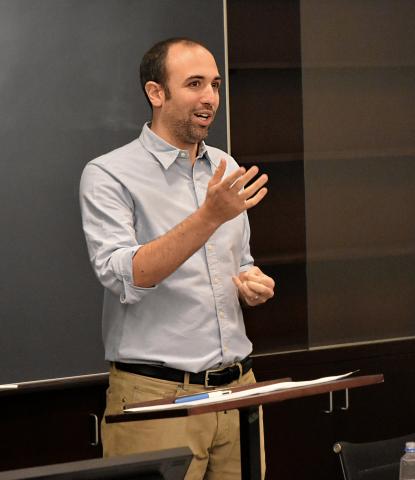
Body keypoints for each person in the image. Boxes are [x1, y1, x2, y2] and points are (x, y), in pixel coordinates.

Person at [79, 37, 275, 480]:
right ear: (156, 93)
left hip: (238, 392)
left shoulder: (226, 166)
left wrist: (251, 279)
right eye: (194, 84)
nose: (210, 98)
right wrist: (208, 217)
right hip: (157, 397)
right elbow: (125, 276)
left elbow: (238, 259)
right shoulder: (109, 174)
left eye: (216, 84)